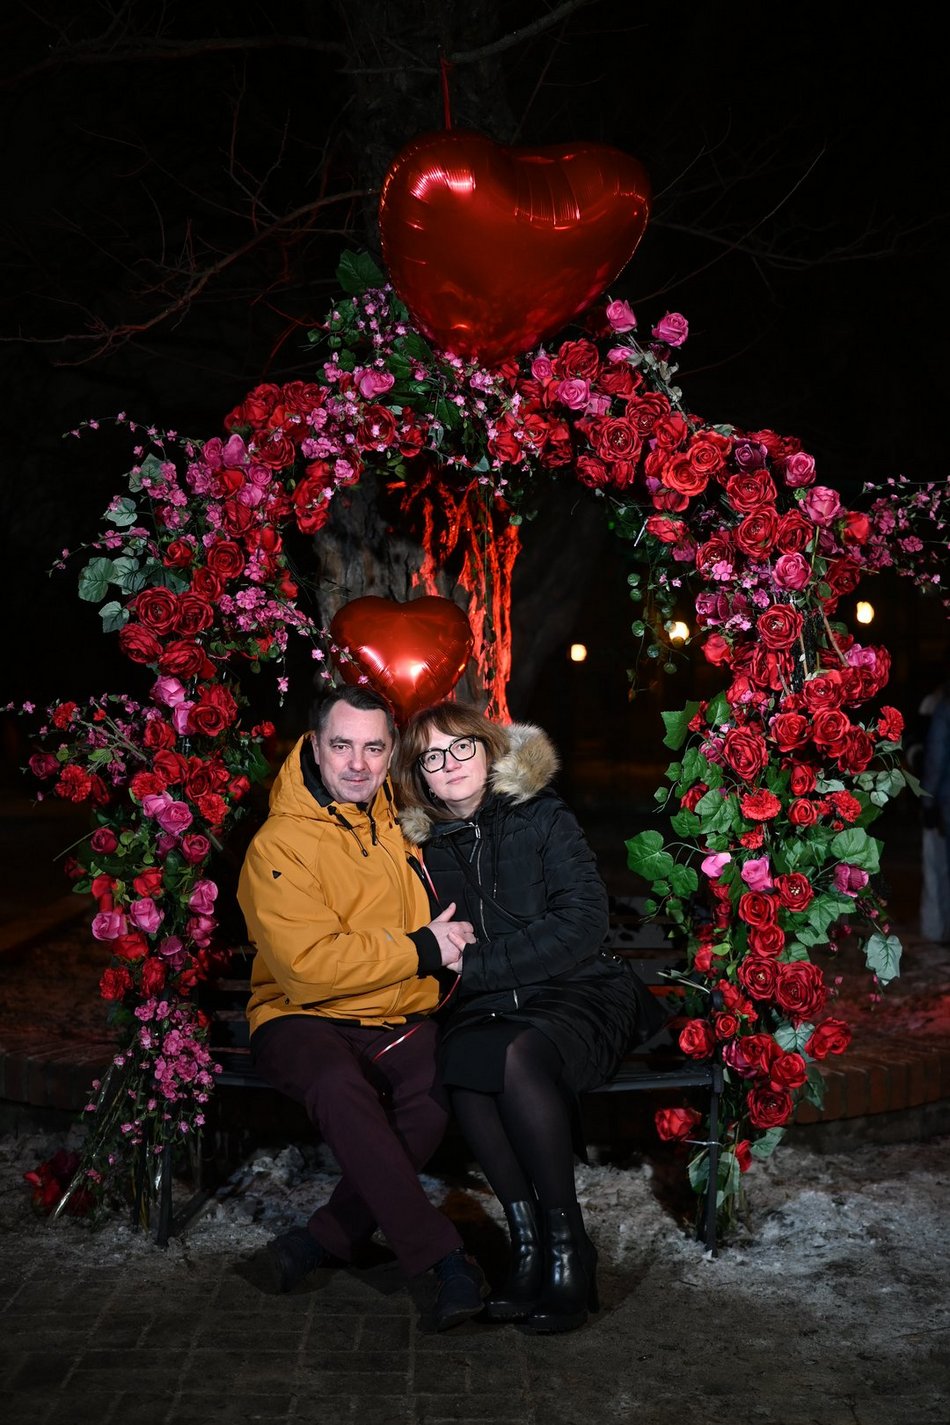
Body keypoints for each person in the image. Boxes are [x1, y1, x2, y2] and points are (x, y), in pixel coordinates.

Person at [394, 702, 664, 1334]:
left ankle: (568, 1244)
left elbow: (581, 925)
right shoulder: (422, 852)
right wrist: (460, 973)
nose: (450, 765)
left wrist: (478, 967)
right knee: (464, 1064)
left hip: (582, 992)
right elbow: (424, 945)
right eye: (433, 757)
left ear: (488, 753)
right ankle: (527, 1244)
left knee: (514, 1058)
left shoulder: (542, 817)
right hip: (488, 1008)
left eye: (462, 748)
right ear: (421, 777)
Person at [236, 684, 488, 1330]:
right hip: (300, 1017)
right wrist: (421, 949)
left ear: (389, 752)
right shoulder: (279, 843)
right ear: (315, 747)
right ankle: (440, 1258)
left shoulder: (400, 821)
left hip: (392, 1013)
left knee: (435, 1090)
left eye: (374, 747)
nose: (357, 762)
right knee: (338, 1084)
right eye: (342, 744)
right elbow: (308, 969)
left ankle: (323, 1237)